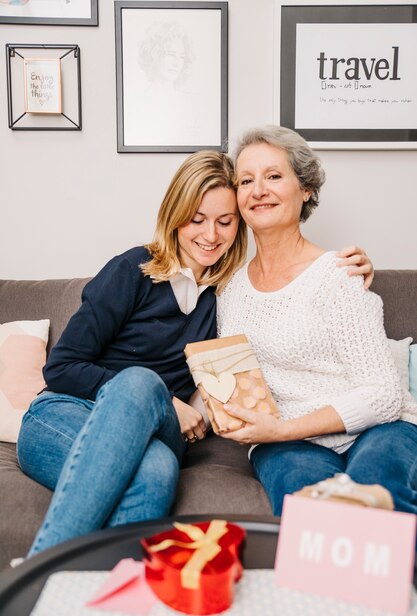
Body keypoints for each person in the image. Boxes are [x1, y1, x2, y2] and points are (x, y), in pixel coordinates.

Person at [17, 147, 372, 558]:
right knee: (154, 467)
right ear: (175, 215)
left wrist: (351, 268)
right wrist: (166, 398)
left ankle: (43, 576)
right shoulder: (132, 270)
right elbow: (61, 367)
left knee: (155, 426)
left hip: (161, 430)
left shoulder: (231, 292)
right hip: (63, 417)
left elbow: (275, 319)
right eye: (197, 219)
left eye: (225, 222)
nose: (210, 236)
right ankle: (87, 583)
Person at [217, 125, 417, 517]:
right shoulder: (230, 292)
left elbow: (384, 397)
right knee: (312, 511)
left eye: (274, 176)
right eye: (246, 180)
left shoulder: (338, 274)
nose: (258, 190)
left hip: (379, 429)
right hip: (286, 448)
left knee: (378, 492)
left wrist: (283, 430)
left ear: (305, 189)